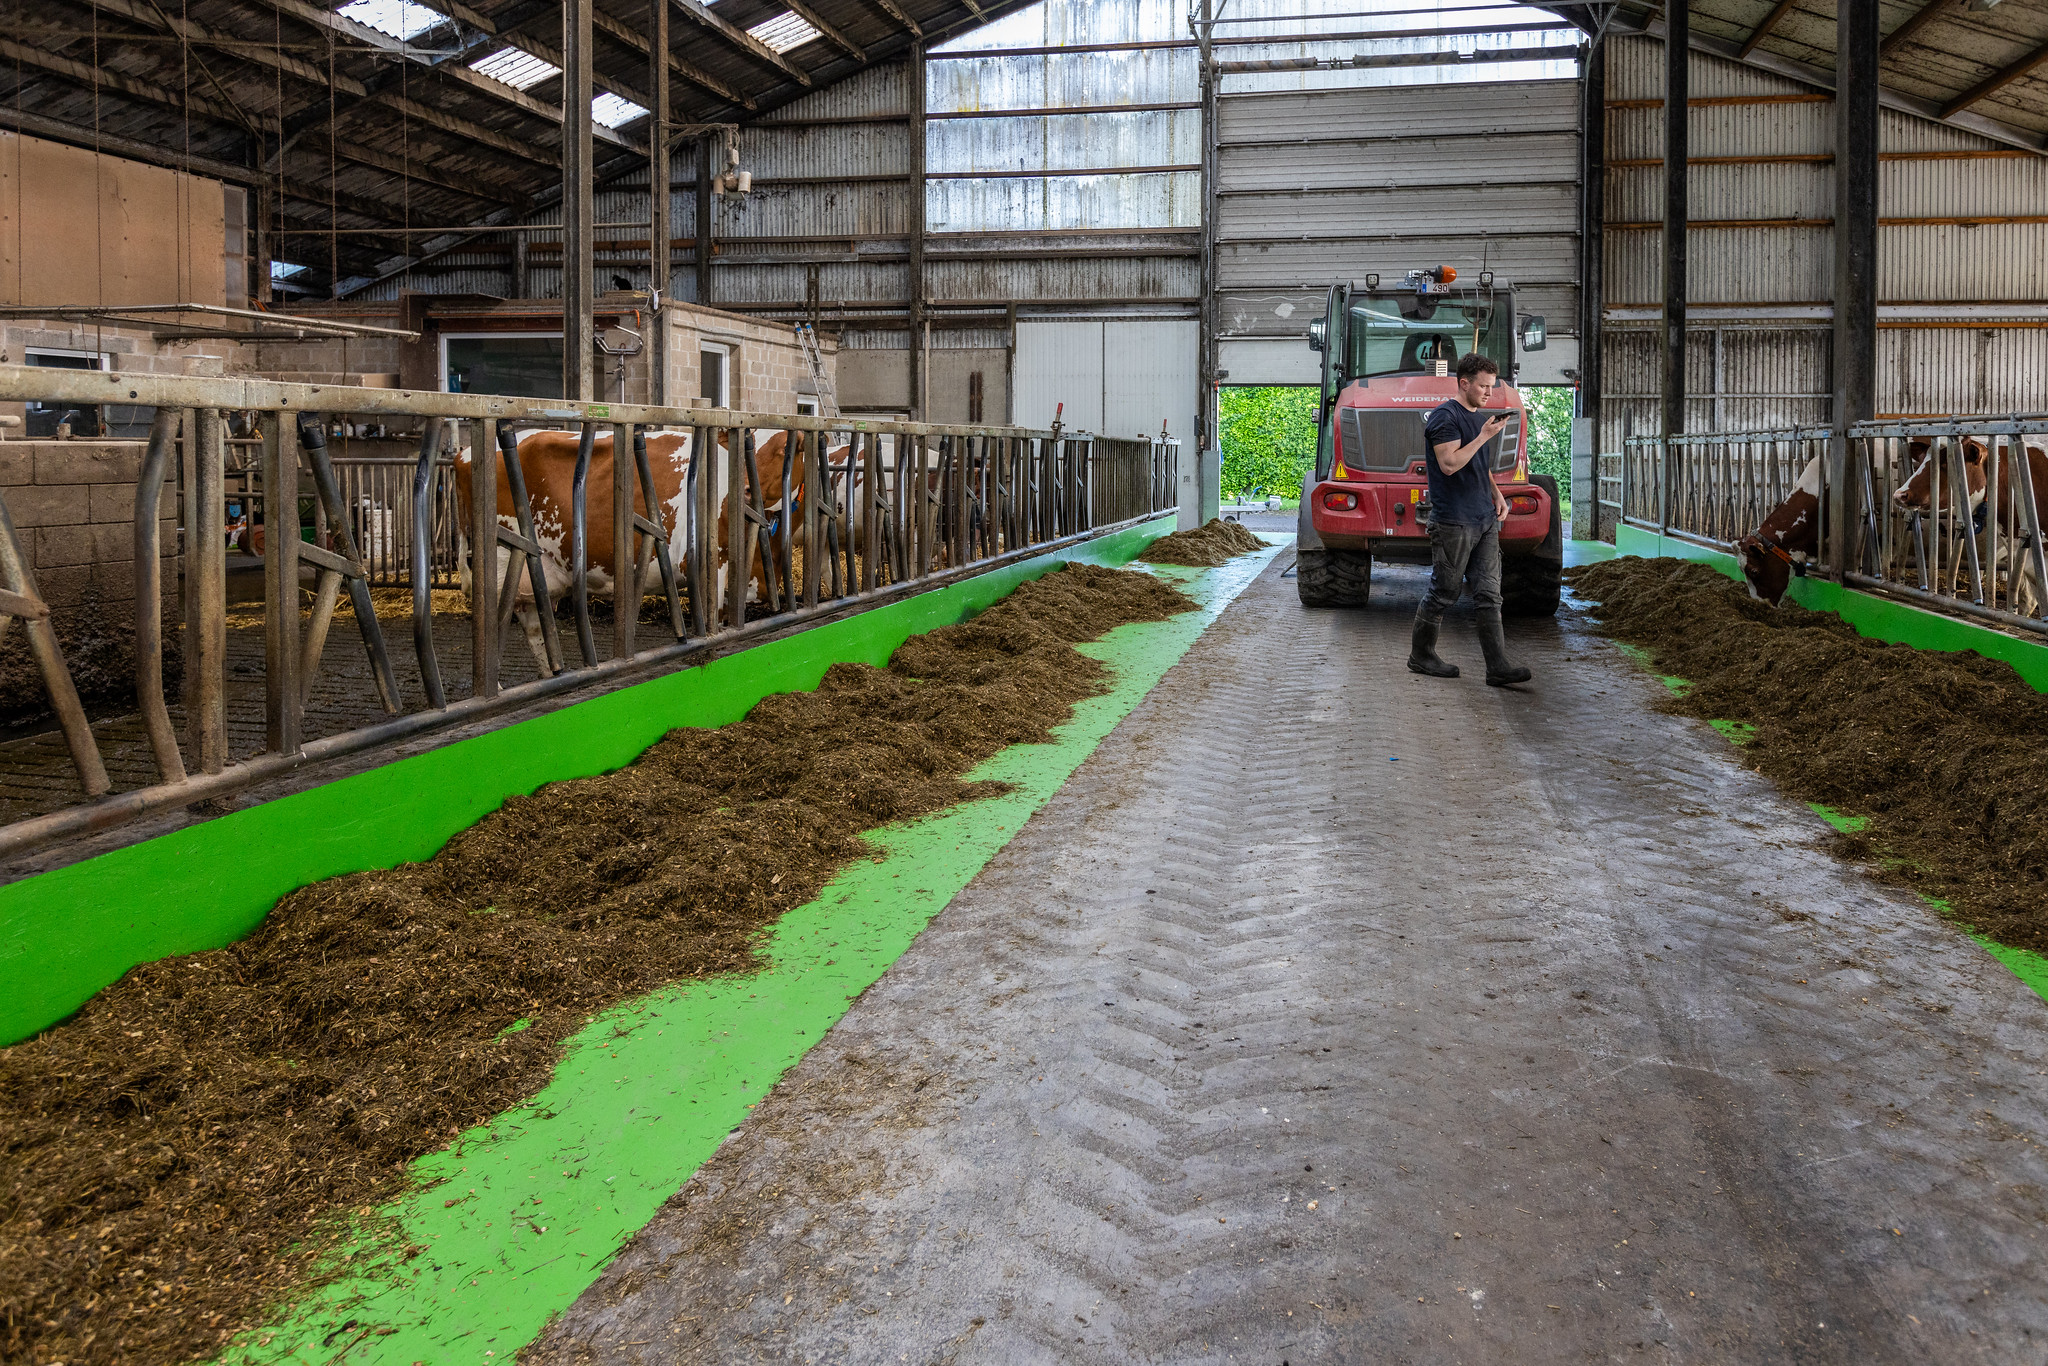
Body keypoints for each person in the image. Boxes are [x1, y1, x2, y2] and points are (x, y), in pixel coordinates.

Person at [1407, 352, 1532, 687]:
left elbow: (1479, 466)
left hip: (1484, 518)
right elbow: (1449, 464)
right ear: (1463, 383)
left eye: (1491, 386)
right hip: (1454, 521)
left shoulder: (1479, 417)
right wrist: (1483, 437)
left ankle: (1498, 667)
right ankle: (1421, 655)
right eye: (1483, 386)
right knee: (1444, 591)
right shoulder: (1444, 418)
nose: (1489, 393)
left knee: (1490, 594)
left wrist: (1497, 494)